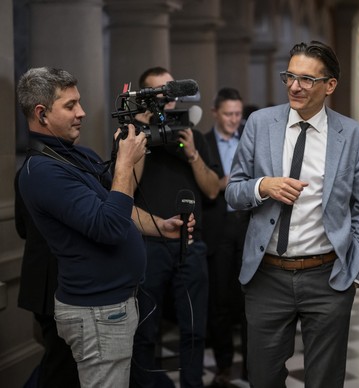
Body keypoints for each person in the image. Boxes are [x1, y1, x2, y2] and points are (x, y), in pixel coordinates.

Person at [16, 66, 194, 388]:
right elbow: (109, 226)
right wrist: (124, 163)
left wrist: (160, 226)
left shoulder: (75, 155)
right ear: (41, 114)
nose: (82, 113)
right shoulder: (41, 171)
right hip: (96, 311)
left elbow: (117, 204)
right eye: (70, 106)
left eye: (79, 102)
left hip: (113, 304)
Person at [224, 40, 359, 388]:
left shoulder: (350, 135)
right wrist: (263, 186)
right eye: (289, 76)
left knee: (324, 380)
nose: (294, 86)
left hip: (327, 278)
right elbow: (233, 191)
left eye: (306, 79)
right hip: (267, 276)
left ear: (330, 85)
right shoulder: (260, 124)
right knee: (262, 376)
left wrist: (354, 272)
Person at [130, 66, 220, 388]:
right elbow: (125, 187)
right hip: (148, 246)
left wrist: (192, 153)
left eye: (172, 91)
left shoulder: (191, 133)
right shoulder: (131, 135)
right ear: (145, 97)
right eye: (160, 92)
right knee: (144, 330)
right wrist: (140, 130)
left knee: (194, 329)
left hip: (190, 245)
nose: (168, 99)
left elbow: (212, 189)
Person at [15, 171, 80, 388]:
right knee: (60, 366)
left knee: (58, 359)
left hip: (42, 283)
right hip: (55, 284)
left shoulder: (25, 173)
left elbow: (21, 228)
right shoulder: (64, 176)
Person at [202, 87, 249, 386]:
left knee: (249, 299)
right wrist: (220, 183)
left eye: (238, 114)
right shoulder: (202, 144)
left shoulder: (249, 140)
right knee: (219, 300)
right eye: (229, 114)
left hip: (247, 225)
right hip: (217, 228)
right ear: (215, 113)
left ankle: (252, 364)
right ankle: (223, 364)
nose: (234, 120)